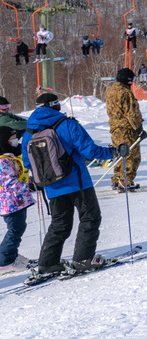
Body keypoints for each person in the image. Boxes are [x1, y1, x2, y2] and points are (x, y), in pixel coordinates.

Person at [20, 92, 124, 283]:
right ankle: (83, 259)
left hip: (51, 187)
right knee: (90, 218)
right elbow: (90, 151)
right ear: (56, 106)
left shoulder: (29, 133)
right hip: (77, 183)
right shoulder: (67, 125)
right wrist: (113, 152)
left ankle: (47, 263)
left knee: (59, 224)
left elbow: (27, 163)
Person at [0, 128, 35, 274]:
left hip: (18, 200)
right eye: (12, 138)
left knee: (19, 227)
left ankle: (11, 255)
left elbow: (19, 176)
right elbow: (9, 181)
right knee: (15, 230)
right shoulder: (3, 160)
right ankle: (5, 260)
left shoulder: (11, 156)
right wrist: (29, 186)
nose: (15, 140)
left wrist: (32, 180)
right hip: (10, 202)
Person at [106, 68, 146, 193]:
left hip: (115, 128)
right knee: (131, 156)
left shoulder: (111, 91)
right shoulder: (125, 93)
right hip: (127, 129)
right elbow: (131, 113)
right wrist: (138, 129)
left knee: (120, 154)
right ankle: (125, 181)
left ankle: (117, 179)